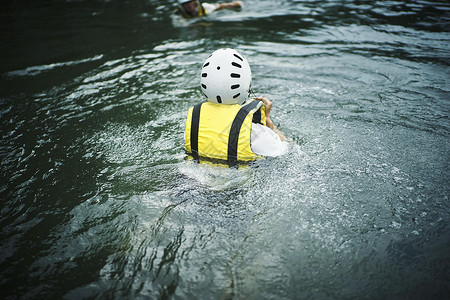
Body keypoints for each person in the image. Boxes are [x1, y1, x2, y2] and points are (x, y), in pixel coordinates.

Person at [185, 48, 287, 165]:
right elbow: (287, 148)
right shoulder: (256, 133)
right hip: (236, 182)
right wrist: (268, 120)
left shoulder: (194, 122)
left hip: (190, 179)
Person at [176, 0, 243, 18]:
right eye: (185, 4)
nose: (188, 5)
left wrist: (233, 5)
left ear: (193, 2)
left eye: (189, 2)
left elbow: (219, 7)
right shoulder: (179, 14)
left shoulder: (204, 7)